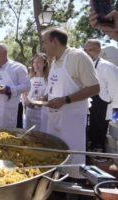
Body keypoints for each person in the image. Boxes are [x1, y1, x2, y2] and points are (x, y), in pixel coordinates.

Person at [42, 28, 100, 178]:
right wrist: (45, 98)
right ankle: (56, 182)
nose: (43, 46)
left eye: (44, 42)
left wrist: (65, 100)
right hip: (54, 118)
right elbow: (54, 88)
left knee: (72, 156)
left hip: (72, 120)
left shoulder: (78, 57)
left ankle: (74, 187)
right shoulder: (54, 61)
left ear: (54, 41)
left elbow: (95, 88)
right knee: (55, 154)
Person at [84, 39, 118, 151]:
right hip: (87, 105)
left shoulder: (107, 67)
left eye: (90, 50)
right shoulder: (83, 66)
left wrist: (113, 113)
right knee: (89, 132)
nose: (87, 52)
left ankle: (99, 155)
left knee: (99, 136)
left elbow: (116, 91)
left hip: (103, 107)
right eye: (85, 50)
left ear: (98, 51)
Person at [0, 43, 30, 128]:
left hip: (11, 110)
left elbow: (27, 86)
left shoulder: (18, 67)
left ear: (5, 53)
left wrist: (9, 89)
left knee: (10, 137)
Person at [24, 53, 49, 132]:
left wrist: (45, 98)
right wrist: (26, 101)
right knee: (29, 133)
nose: (36, 64)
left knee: (41, 133)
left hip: (43, 111)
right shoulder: (30, 78)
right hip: (30, 111)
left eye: (38, 62)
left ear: (44, 64)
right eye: (34, 62)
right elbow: (25, 92)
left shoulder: (48, 79)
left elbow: (52, 92)